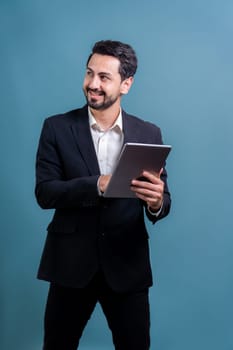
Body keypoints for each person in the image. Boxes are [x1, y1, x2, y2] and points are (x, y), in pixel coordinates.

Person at [35, 39, 171, 350]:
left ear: (126, 84)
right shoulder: (56, 127)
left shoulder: (149, 133)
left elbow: (163, 200)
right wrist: (97, 184)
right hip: (69, 265)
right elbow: (45, 192)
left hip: (128, 264)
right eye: (89, 74)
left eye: (104, 77)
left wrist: (156, 201)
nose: (92, 84)